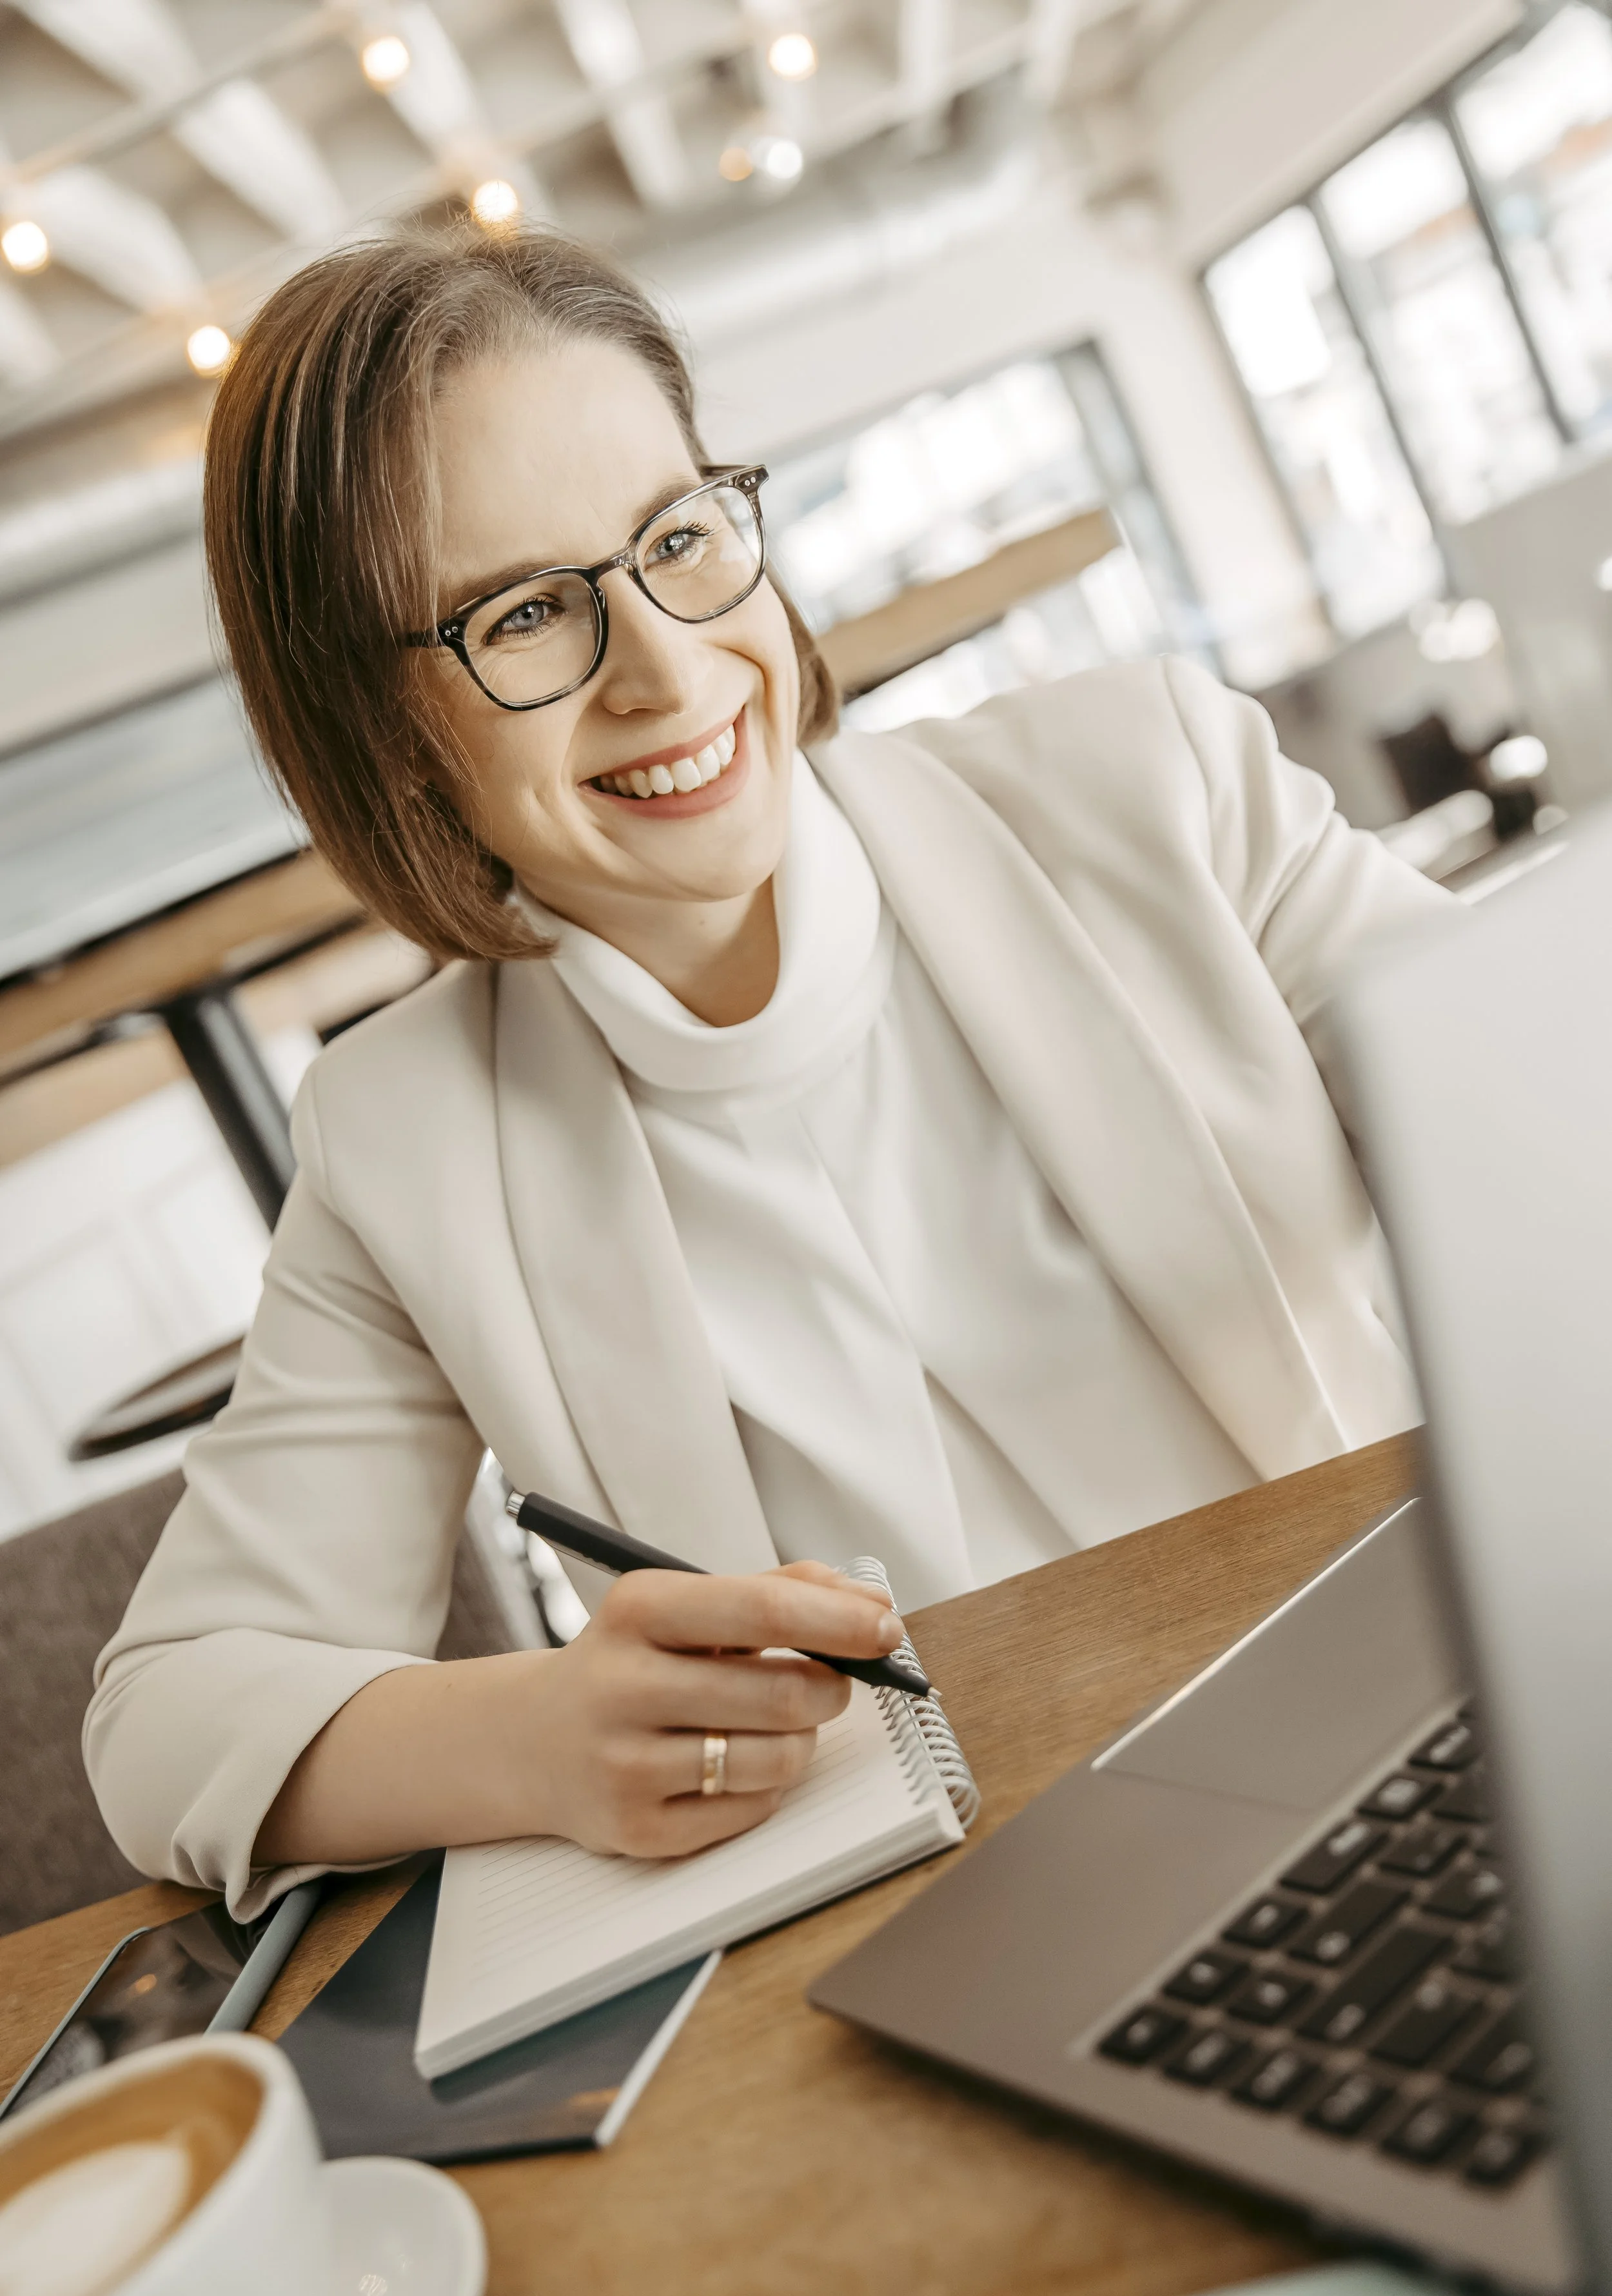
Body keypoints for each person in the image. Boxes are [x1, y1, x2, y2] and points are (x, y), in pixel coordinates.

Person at [85, 226, 1453, 1919]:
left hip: (1428, 1731)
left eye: (676, 538)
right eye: (523, 613)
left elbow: (1546, 1119)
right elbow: (165, 1717)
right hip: (1001, 1920)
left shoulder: (1146, 788)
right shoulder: (404, 1138)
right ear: (380, 726)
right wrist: (532, 1731)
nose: (665, 668)